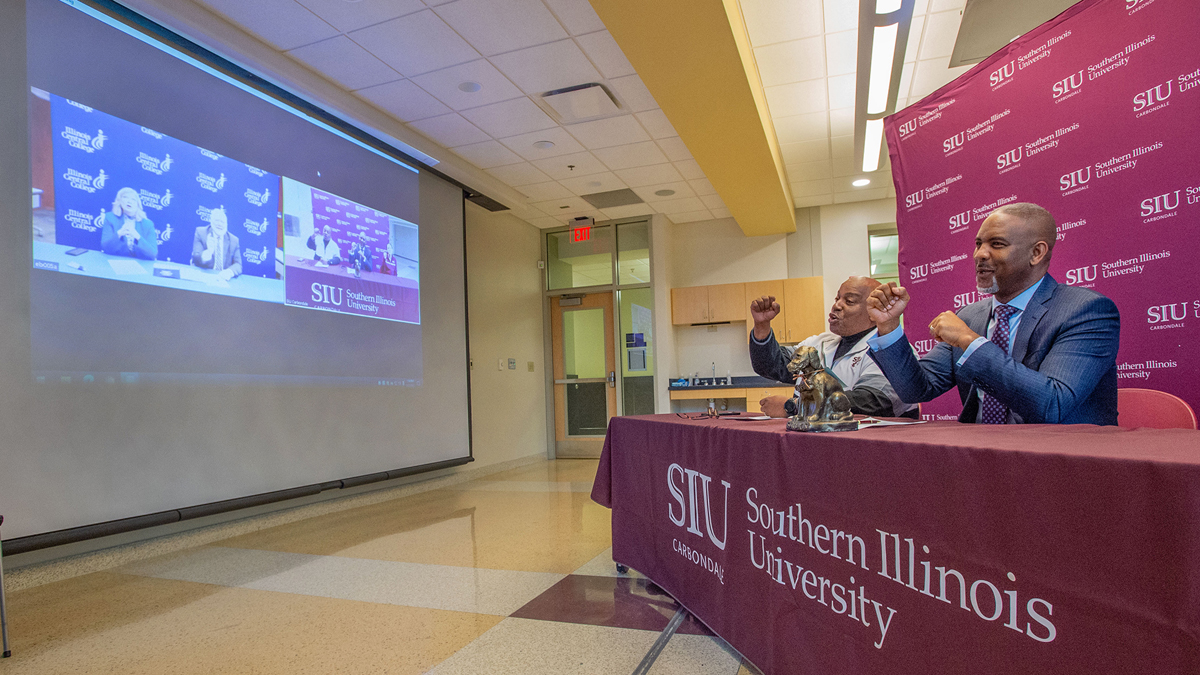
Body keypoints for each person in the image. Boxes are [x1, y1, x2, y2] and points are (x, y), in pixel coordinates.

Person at [865, 202, 1119, 425]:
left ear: (1037, 253)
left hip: (1059, 463)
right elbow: (917, 389)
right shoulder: (969, 316)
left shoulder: (1086, 311)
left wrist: (970, 342)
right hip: (981, 457)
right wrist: (888, 326)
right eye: (978, 244)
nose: (980, 255)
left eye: (997, 244)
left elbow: (1053, 404)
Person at [750, 276, 918, 418]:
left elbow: (871, 402)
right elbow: (772, 365)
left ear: (874, 313)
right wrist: (762, 327)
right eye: (837, 298)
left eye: (849, 301)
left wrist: (794, 406)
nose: (837, 305)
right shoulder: (819, 343)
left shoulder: (893, 352)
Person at [100, 187, 157, 260]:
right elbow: (105, 248)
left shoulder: (148, 224)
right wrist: (119, 233)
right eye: (125, 197)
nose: (129, 201)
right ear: (119, 201)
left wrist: (137, 236)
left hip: (140, 265)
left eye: (133, 199)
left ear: (138, 204)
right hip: (116, 262)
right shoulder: (110, 218)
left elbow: (152, 254)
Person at [191, 207, 241, 281]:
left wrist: (229, 272)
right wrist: (208, 252)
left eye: (222, 222)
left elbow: (238, 265)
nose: (219, 224)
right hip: (204, 275)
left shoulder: (234, 240)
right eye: (217, 221)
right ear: (211, 221)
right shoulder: (201, 233)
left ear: (227, 224)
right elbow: (196, 258)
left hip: (222, 279)